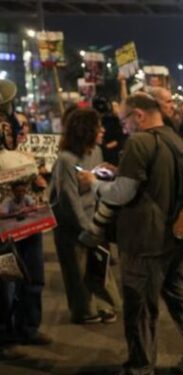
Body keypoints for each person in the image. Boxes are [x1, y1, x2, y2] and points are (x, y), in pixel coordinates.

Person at [78, 93, 183, 375]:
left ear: (138, 115)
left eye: (124, 120)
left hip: (144, 241)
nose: (124, 127)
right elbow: (157, 177)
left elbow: (121, 193)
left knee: (140, 308)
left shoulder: (140, 141)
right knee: (181, 298)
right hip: (174, 237)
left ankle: (140, 367)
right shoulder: (171, 137)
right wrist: (119, 170)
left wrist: (94, 183)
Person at [49, 107, 121, 324]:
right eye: (98, 126)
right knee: (77, 270)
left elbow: (96, 183)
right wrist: (86, 228)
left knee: (98, 265)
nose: (103, 130)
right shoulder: (66, 160)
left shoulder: (95, 152)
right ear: (85, 130)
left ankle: (105, 305)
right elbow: (68, 200)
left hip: (93, 219)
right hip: (71, 225)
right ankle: (85, 311)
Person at [0, 79, 51, 361]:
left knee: (31, 270)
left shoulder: (15, 125)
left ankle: (27, 327)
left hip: (28, 209)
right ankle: (9, 330)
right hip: (5, 213)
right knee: (6, 273)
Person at [93, 96, 127, 166]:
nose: (102, 130)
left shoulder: (115, 120)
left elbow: (119, 138)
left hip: (113, 157)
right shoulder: (93, 120)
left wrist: (105, 147)